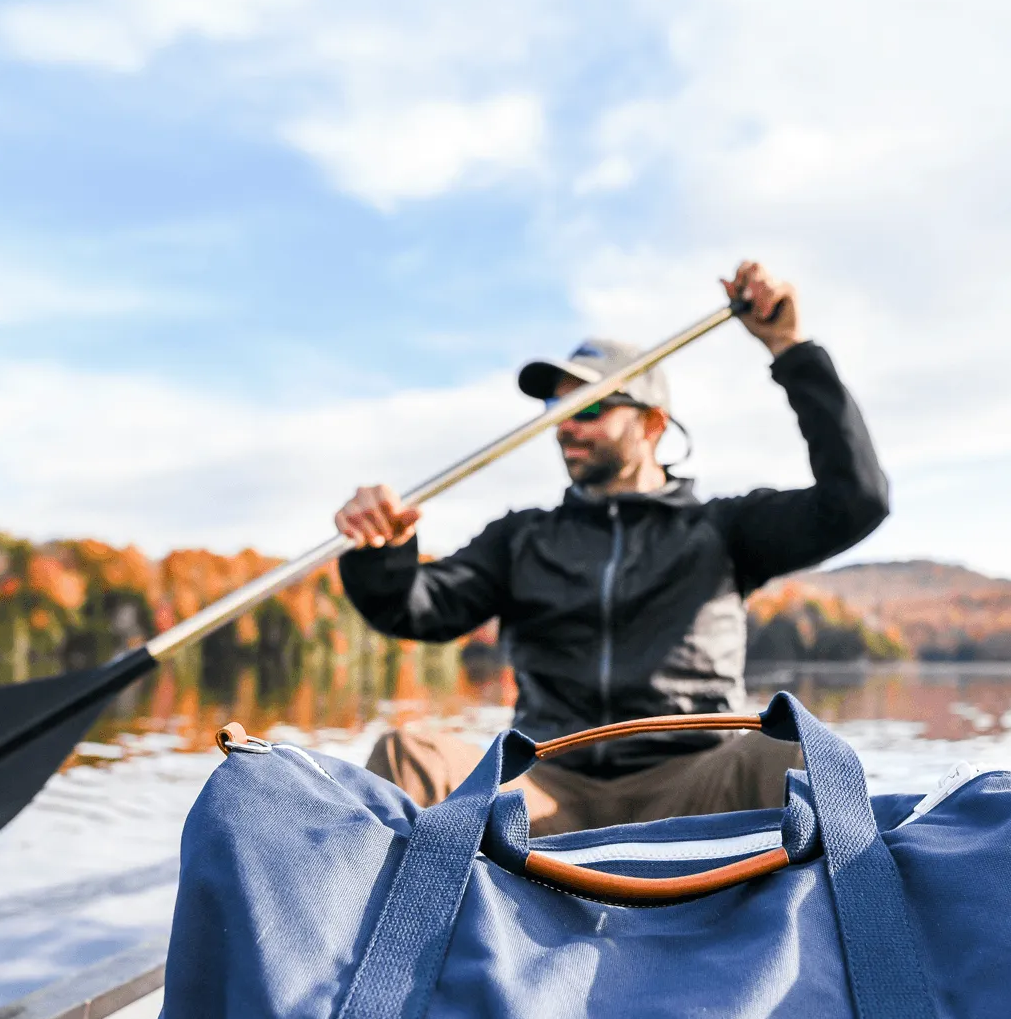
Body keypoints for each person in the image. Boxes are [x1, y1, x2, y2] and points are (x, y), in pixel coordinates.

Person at [335, 260, 889, 834]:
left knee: (794, 754)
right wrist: (384, 549)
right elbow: (415, 608)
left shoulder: (722, 529)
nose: (565, 426)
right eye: (557, 410)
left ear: (652, 423)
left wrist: (788, 347)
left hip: (694, 779)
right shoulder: (523, 537)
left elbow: (857, 501)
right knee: (408, 754)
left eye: (589, 407)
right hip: (545, 785)